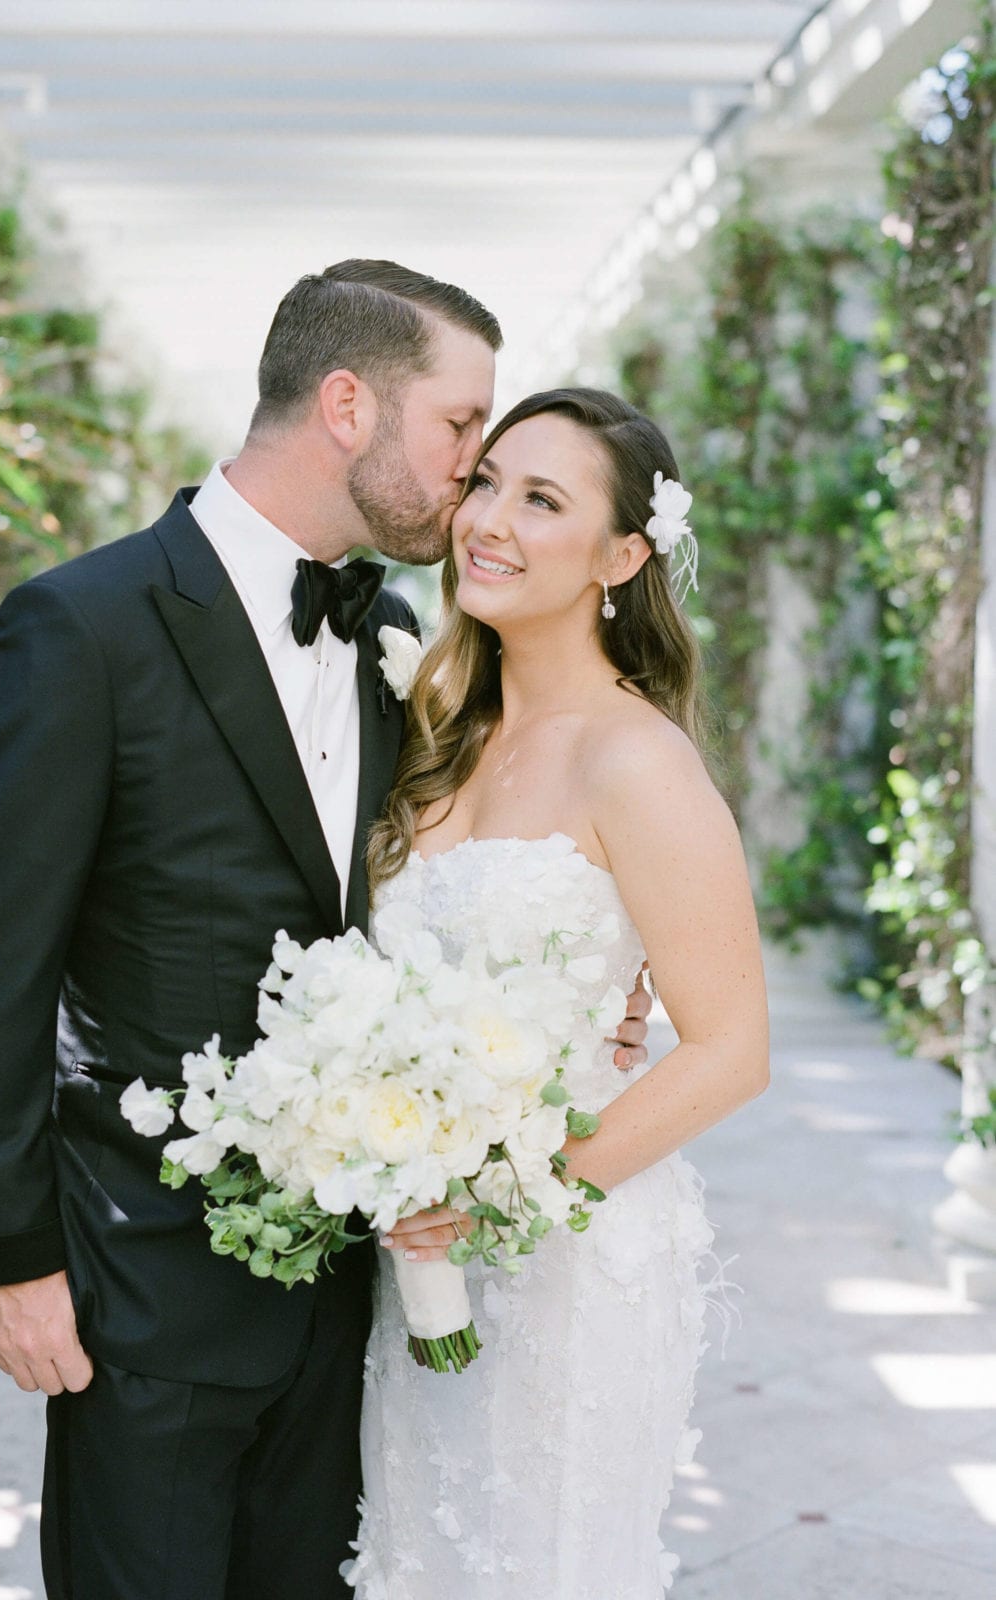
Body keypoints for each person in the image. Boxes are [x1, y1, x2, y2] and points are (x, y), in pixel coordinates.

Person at [0, 265, 653, 1600]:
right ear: (345, 405)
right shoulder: (79, 627)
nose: (473, 474)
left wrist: (572, 1001)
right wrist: (6, 1255)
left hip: (353, 1296)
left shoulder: (400, 640)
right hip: (142, 1287)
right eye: (458, 429)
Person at [351, 388, 771, 1598]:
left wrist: (497, 1199)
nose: (489, 519)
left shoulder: (633, 757)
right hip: (419, 1248)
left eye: (542, 500)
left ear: (621, 555)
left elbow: (731, 1046)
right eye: (483, 482)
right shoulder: (433, 726)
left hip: (570, 1253)